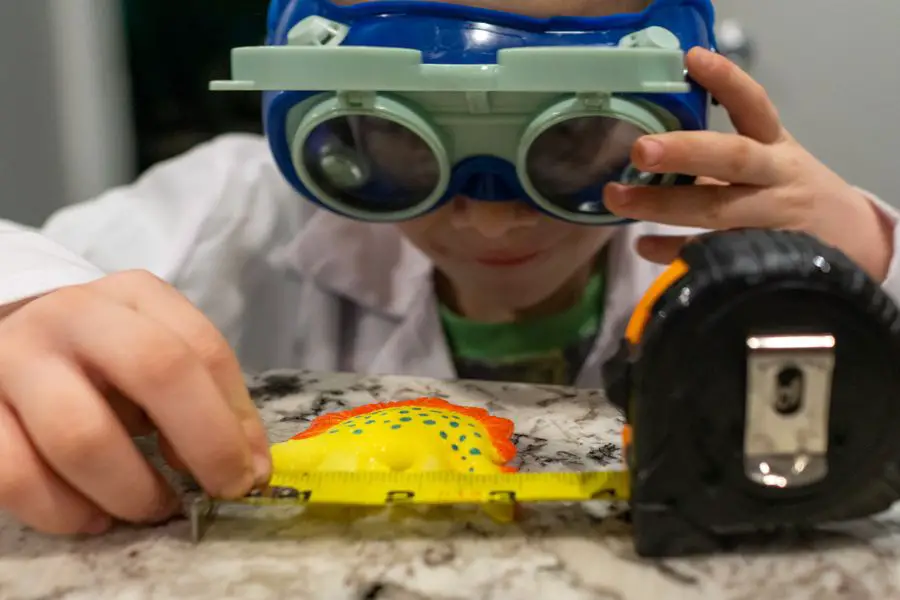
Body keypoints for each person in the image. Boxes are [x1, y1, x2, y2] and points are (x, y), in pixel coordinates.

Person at [0, 0, 896, 538]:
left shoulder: (751, 251)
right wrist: (22, 306)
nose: (492, 213)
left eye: (570, 136)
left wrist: (868, 281)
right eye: (401, 134)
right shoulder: (233, 217)